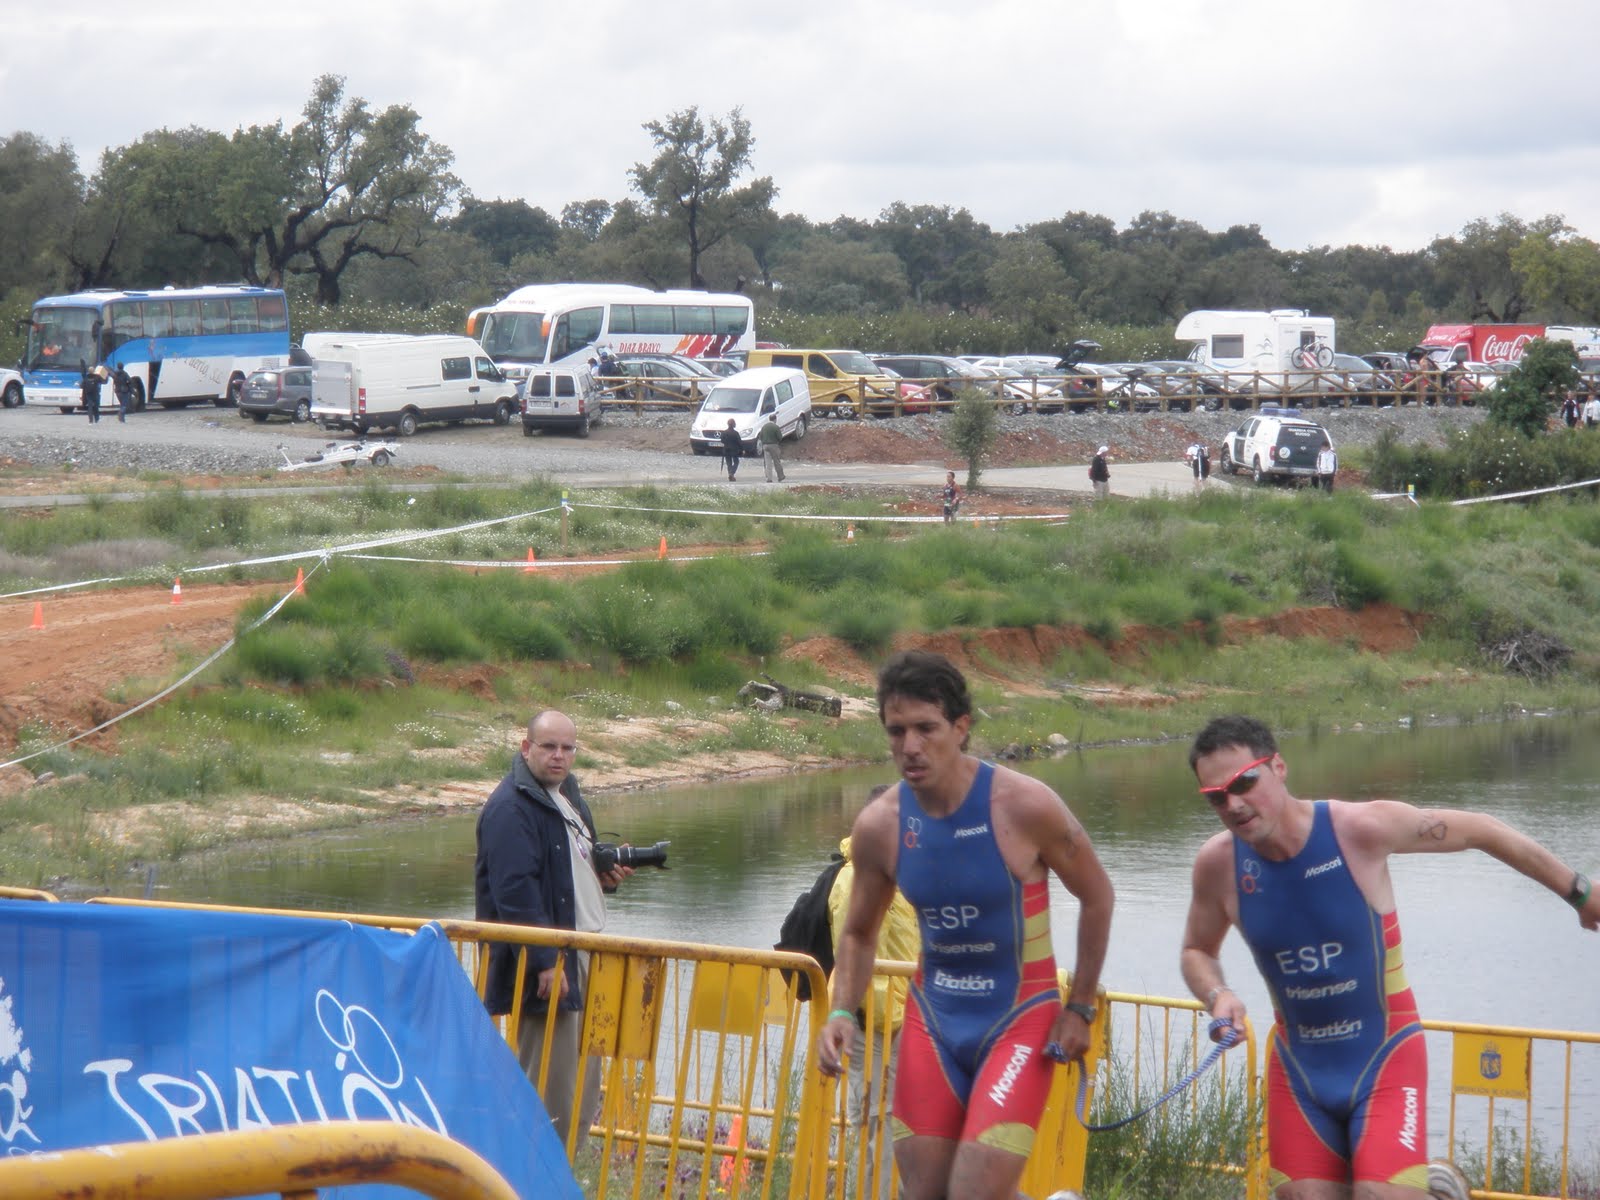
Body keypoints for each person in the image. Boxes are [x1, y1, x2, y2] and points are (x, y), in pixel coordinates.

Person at [1180, 715, 1599, 1200]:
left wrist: (1579, 892)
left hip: (1385, 1057)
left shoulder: (1357, 829)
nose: (1233, 804)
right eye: (1216, 796)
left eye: (1243, 783)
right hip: (1300, 1072)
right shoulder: (1218, 865)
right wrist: (1218, 994)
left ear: (1278, 767)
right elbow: (1196, 950)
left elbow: (1482, 830)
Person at [817, 650, 1115, 1200]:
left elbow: (1097, 896)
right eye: (896, 731)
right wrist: (841, 1010)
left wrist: (1080, 1008)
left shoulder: (1024, 805)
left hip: (1019, 1020)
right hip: (934, 1021)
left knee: (974, 1192)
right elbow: (858, 933)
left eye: (926, 728)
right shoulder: (881, 826)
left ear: (960, 727)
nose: (910, 746)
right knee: (924, 1193)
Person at [474, 710, 632, 1146]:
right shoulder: (510, 808)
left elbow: (569, 872)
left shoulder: (566, 795)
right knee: (550, 1089)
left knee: (582, 1089)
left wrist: (604, 878)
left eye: (567, 748)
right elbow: (514, 891)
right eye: (548, 746)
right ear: (526, 748)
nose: (559, 756)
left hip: (582, 951)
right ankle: (530, 1174)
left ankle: (563, 1174)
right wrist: (545, 961)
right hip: (551, 963)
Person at [827, 784, 921, 1200]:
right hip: (876, 1028)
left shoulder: (899, 880)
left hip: (903, 1024)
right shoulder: (855, 881)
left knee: (899, 1129)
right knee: (876, 1129)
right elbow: (858, 958)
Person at [757, 412, 786, 483]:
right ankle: (780, 476)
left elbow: (760, 437)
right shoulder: (776, 427)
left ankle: (769, 478)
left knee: (768, 463)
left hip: (765, 446)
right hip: (773, 445)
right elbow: (780, 437)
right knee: (777, 461)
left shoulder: (764, 427)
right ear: (775, 419)